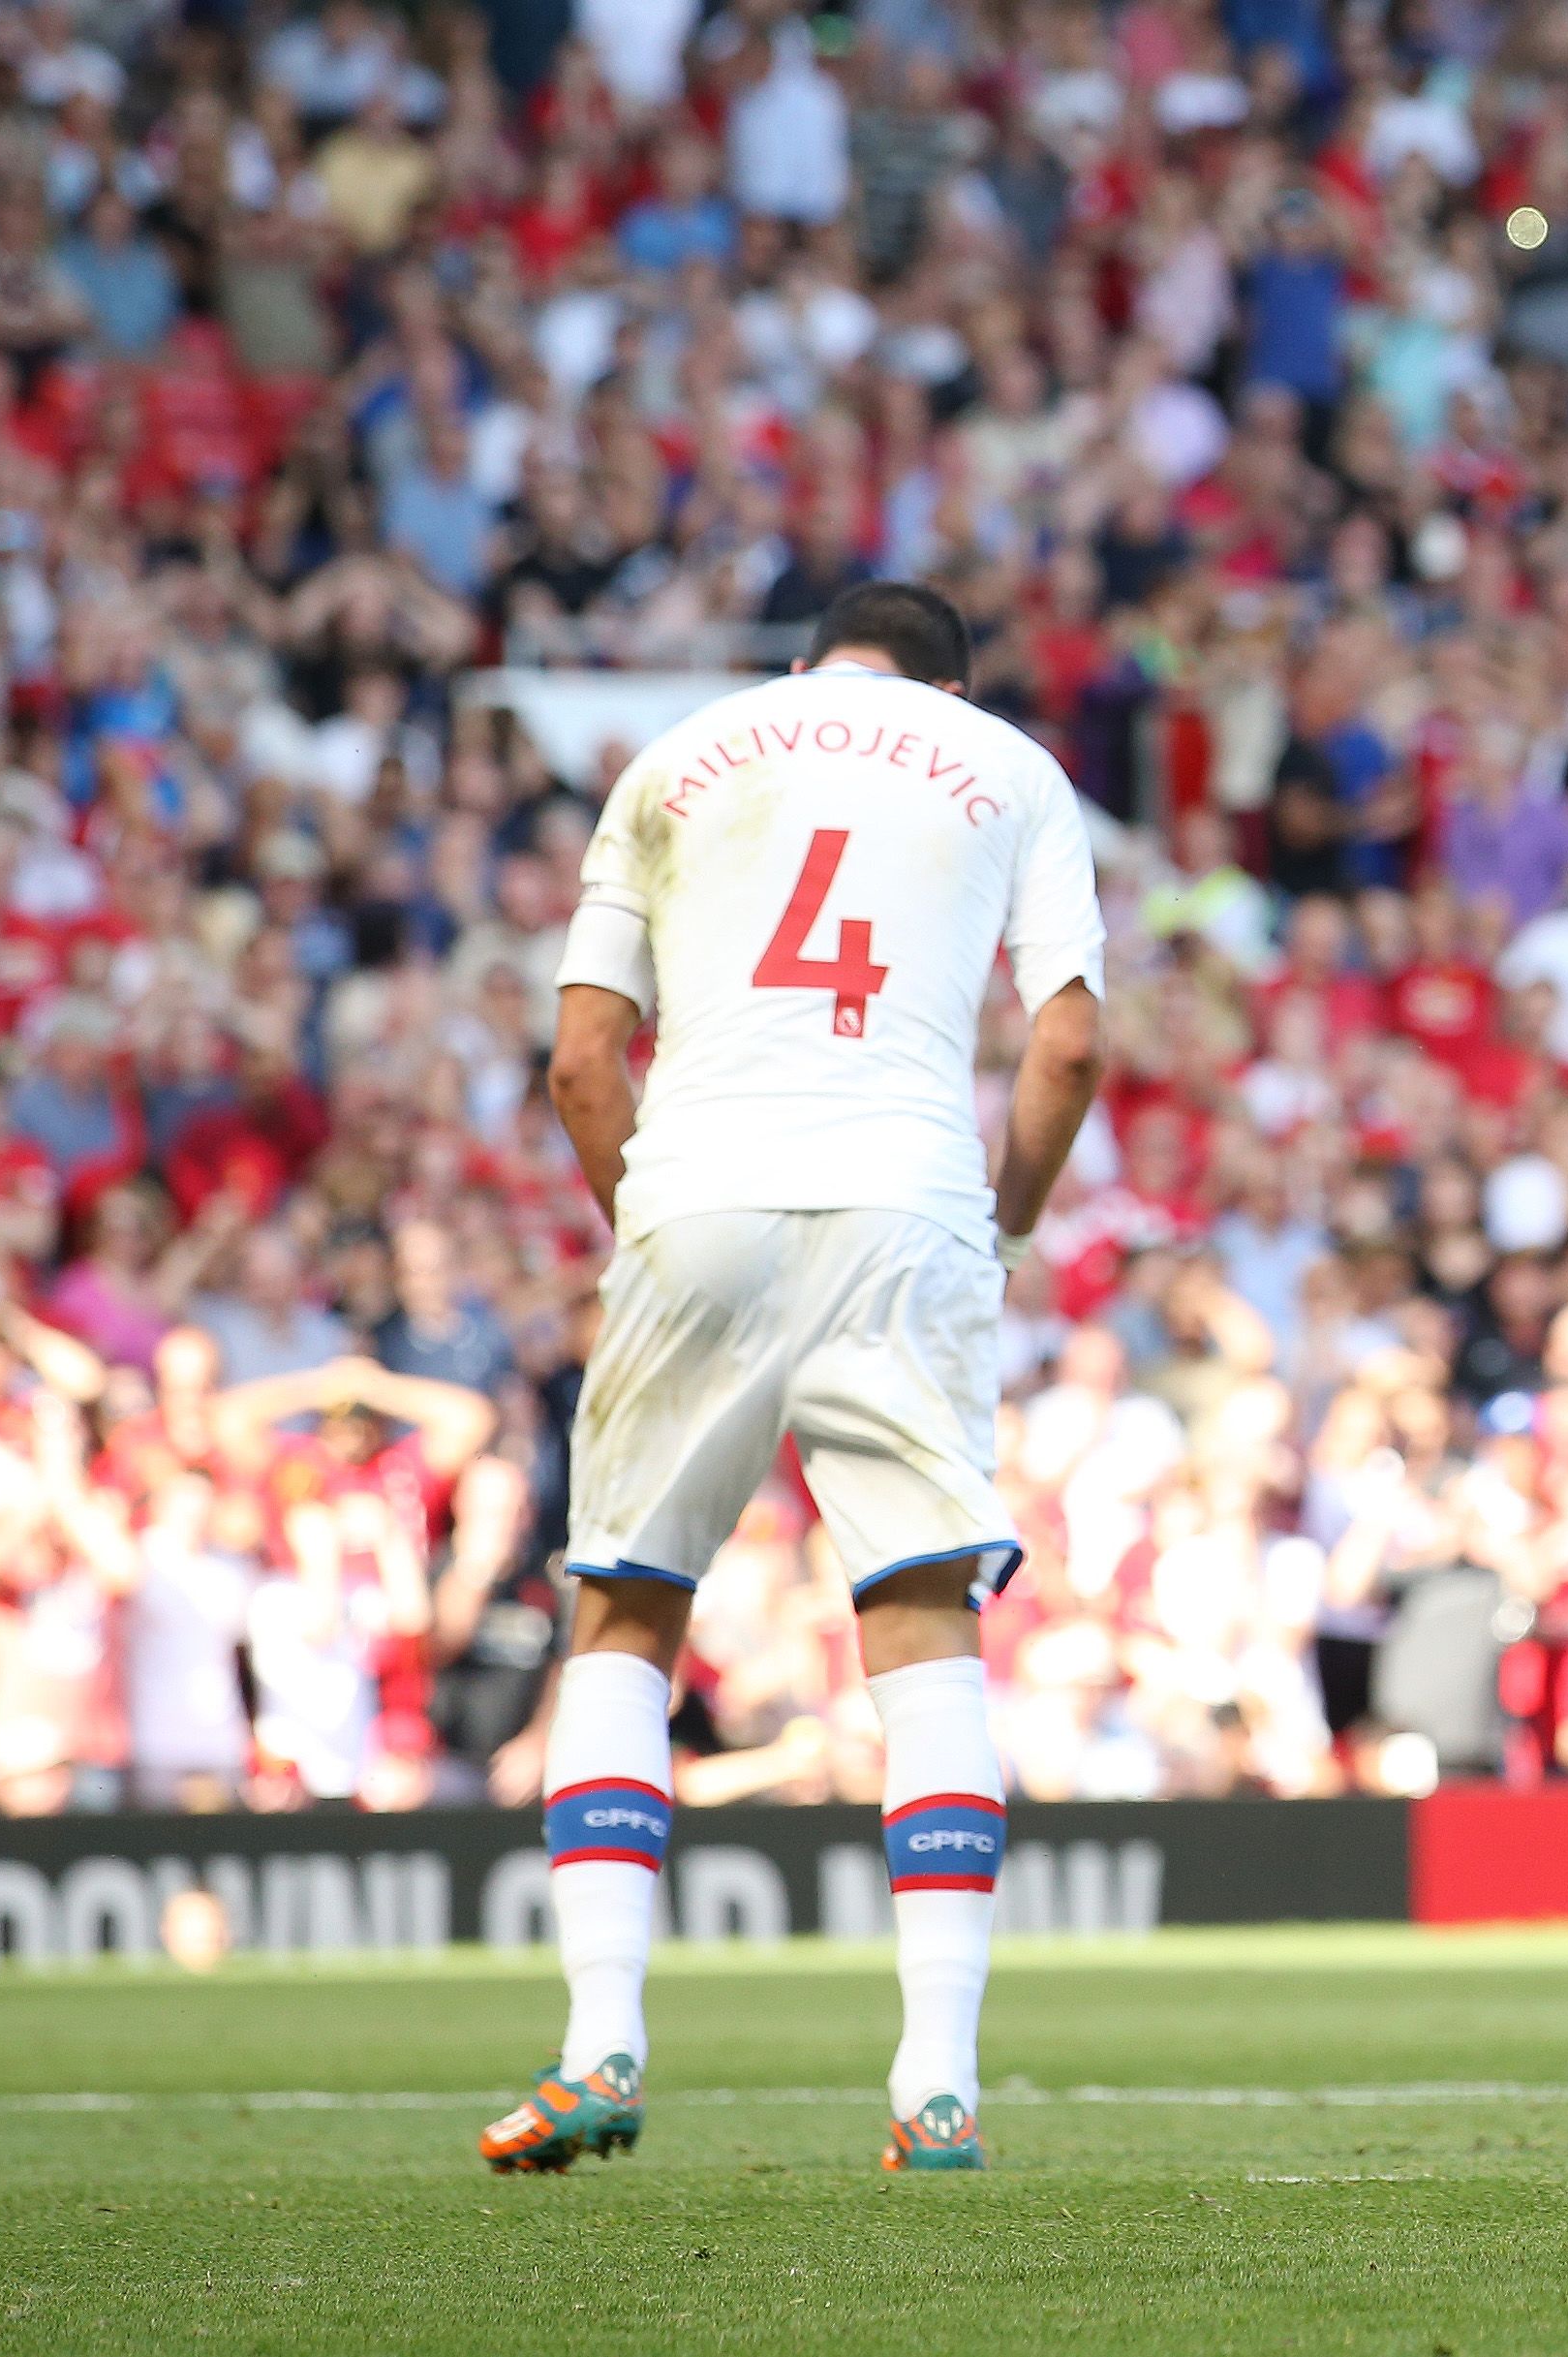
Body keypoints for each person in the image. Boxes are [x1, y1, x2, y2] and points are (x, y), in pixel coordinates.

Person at [479, 580, 1106, 2176]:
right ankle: (937, 2086)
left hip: (698, 1188)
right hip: (904, 1205)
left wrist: (648, 1211)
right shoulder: (1003, 765)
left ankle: (598, 2046)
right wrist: (1006, 1218)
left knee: (624, 1613)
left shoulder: (681, 752)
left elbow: (578, 1054)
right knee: (919, 1630)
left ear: (797, 666)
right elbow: (1069, 1045)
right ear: (951, 686)